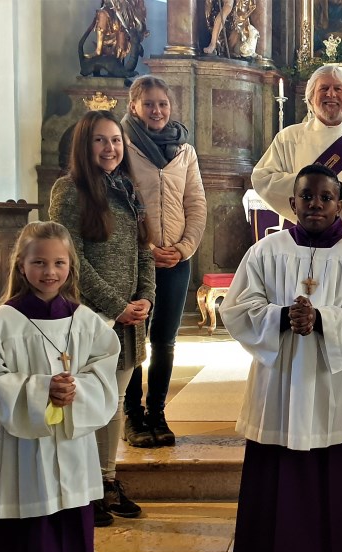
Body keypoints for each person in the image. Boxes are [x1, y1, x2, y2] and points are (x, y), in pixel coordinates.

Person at [220, 164, 342, 552]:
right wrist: (280, 316)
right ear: (291, 204)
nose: (315, 205)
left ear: (340, 204)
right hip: (280, 386)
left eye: (325, 197)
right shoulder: (265, 250)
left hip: (336, 386)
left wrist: (325, 319)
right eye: (306, 197)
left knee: (331, 485)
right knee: (274, 484)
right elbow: (238, 307)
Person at [0, 221, 120, 552]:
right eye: (39, 262)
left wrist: (78, 390)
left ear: (71, 266)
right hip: (21, 449)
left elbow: (104, 369)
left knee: (69, 528)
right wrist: (40, 392)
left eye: (59, 262)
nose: (49, 271)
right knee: (29, 533)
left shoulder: (85, 321)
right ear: (21, 265)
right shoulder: (3, 321)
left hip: (70, 447)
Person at [49, 109, 156, 528]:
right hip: (90, 318)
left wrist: (145, 296)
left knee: (111, 405)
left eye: (115, 140)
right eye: (100, 140)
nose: (110, 148)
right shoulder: (69, 190)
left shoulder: (127, 189)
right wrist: (116, 306)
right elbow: (69, 257)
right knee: (86, 406)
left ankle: (107, 481)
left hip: (129, 320)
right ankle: (83, 489)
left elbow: (144, 250)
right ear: (84, 145)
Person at [121, 75, 207, 448]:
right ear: (134, 107)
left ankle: (157, 412)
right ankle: (132, 415)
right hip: (136, 263)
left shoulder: (184, 150)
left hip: (175, 261)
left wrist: (184, 247)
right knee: (133, 339)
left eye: (163, 104)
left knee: (166, 341)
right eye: (149, 103)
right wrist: (145, 250)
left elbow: (196, 203)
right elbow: (117, 208)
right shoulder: (120, 146)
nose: (157, 110)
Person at [251, 64, 342, 240]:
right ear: (311, 99)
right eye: (324, 88)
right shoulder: (289, 138)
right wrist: (310, 189)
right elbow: (263, 178)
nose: (331, 94)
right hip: (298, 239)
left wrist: (341, 191)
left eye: (338, 89)